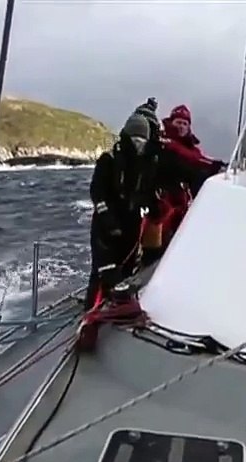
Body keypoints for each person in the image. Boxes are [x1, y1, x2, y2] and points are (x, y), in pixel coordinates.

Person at [86, 98, 162, 306]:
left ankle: (118, 307)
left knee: (127, 269)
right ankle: (90, 312)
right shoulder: (108, 160)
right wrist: (106, 217)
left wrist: (153, 207)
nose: (138, 144)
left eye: (142, 139)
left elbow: (145, 189)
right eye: (135, 139)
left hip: (131, 220)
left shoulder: (146, 163)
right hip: (106, 222)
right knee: (103, 272)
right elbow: (97, 191)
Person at [152, 104, 225, 249]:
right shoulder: (163, 142)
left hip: (182, 204)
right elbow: (189, 157)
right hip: (163, 204)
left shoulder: (191, 147)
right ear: (171, 122)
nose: (181, 126)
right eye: (178, 122)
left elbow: (196, 159)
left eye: (185, 123)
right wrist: (213, 164)